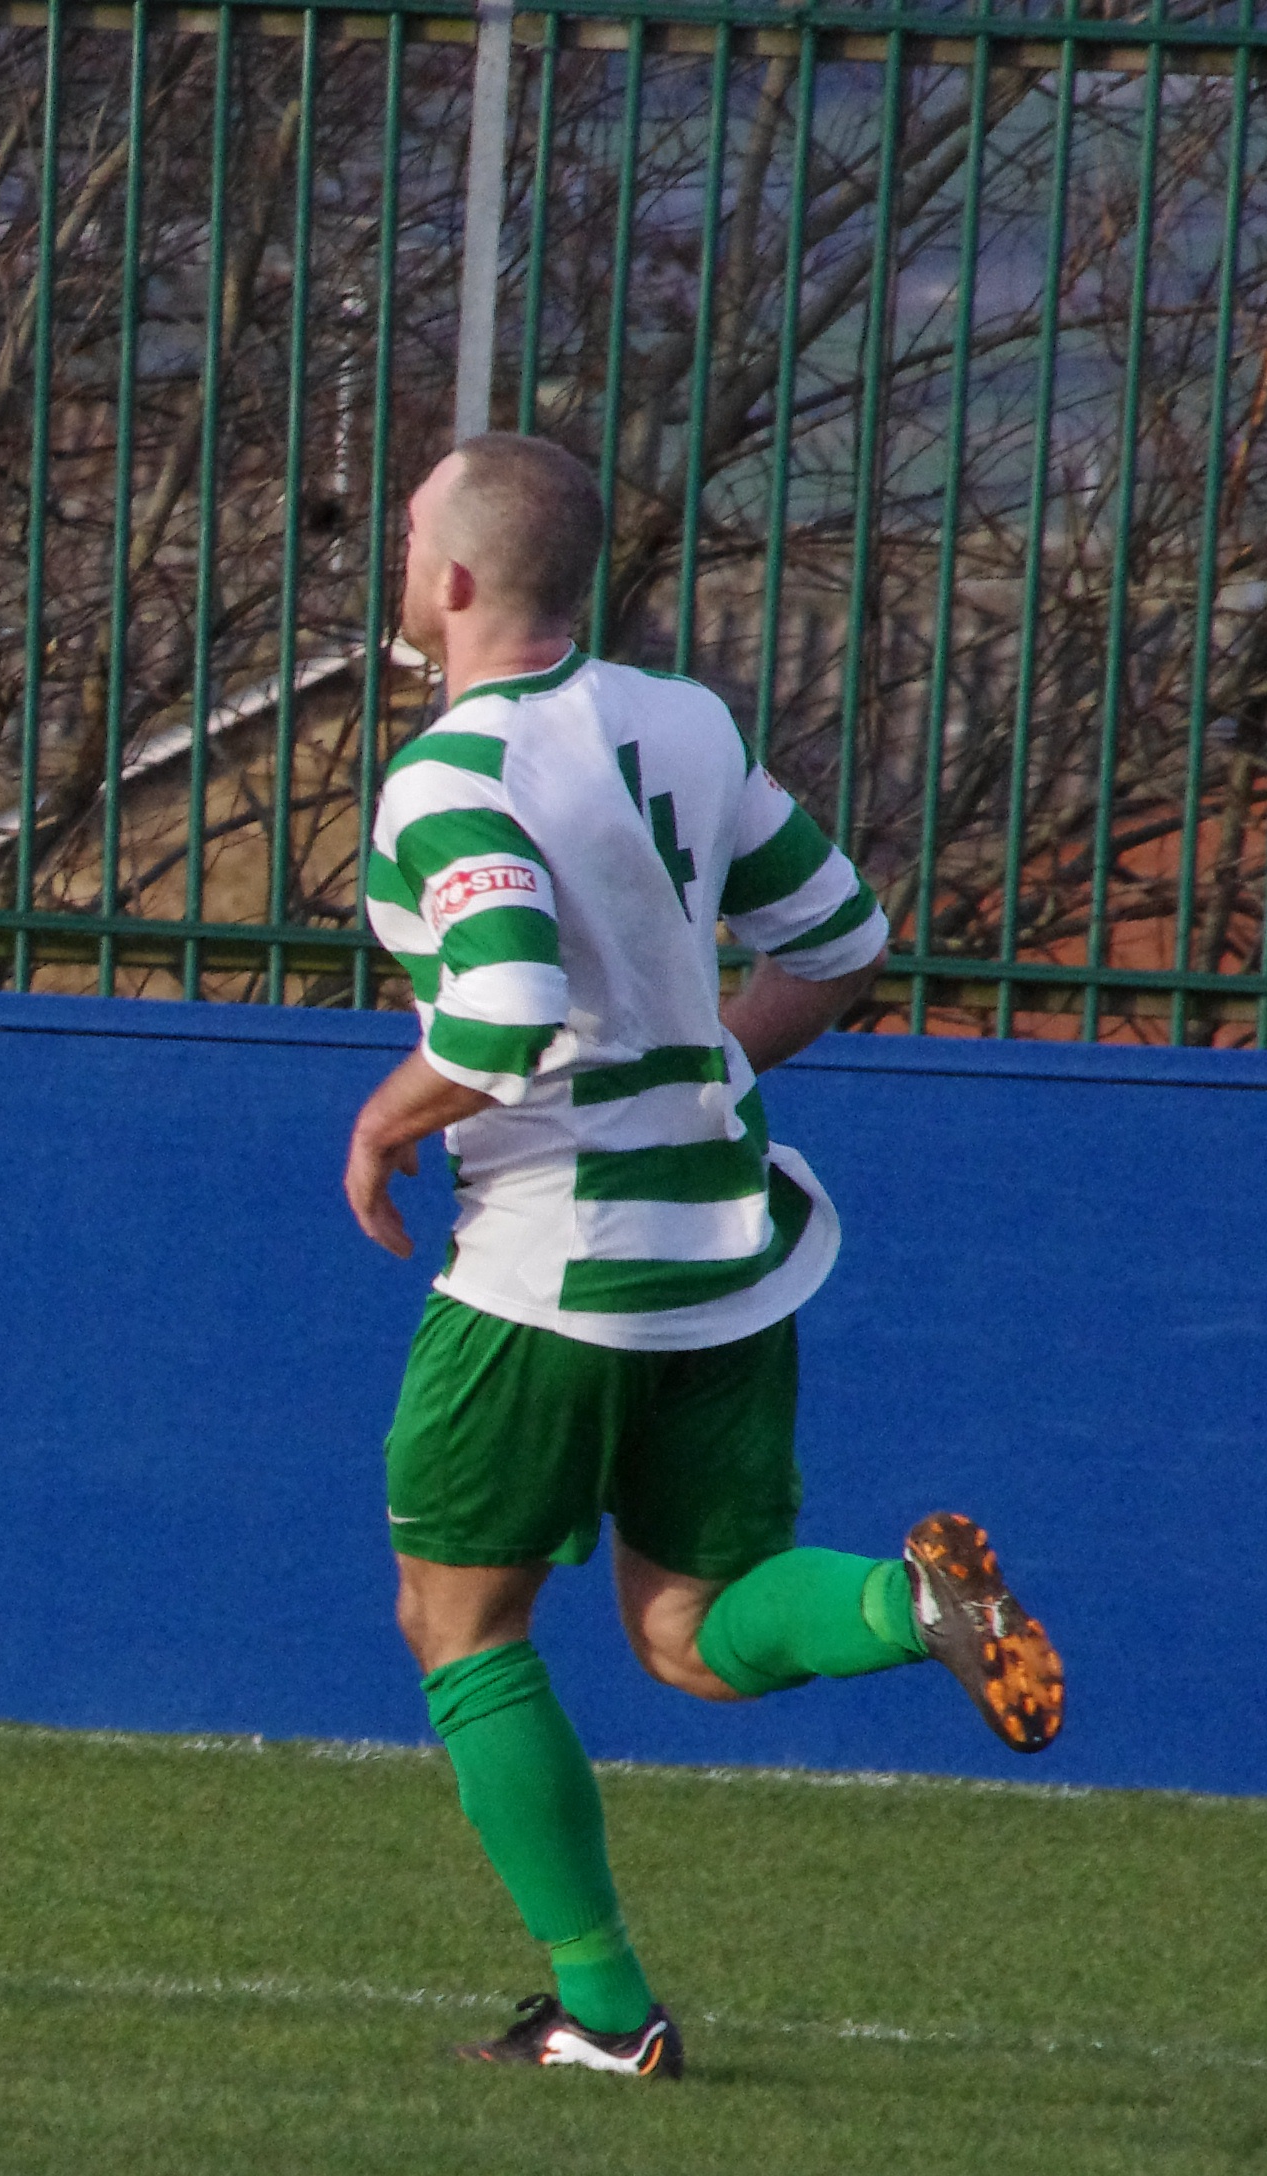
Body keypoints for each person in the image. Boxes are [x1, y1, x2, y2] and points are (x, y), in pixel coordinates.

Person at [346, 434, 1066, 2075]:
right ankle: (907, 1604)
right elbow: (841, 944)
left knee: (459, 1629)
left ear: (452, 580)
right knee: (694, 1634)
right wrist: (707, 1073)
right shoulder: (687, 721)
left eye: (406, 539)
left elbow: (510, 1010)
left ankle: (605, 2015)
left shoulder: (449, 778)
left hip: (556, 1265)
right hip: (729, 1251)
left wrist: (388, 1119)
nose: (400, 563)